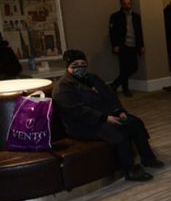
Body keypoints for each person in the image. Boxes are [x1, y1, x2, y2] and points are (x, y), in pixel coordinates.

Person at [53, 50, 164, 182]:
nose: (80, 67)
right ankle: (129, 170)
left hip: (107, 116)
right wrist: (104, 118)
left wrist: (119, 111)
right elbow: (77, 111)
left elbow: (110, 95)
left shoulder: (92, 78)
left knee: (135, 123)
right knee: (118, 131)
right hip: (83, 124)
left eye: (83, 63)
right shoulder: (63, 87)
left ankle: (148, 158)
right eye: (75, 65)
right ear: (68, 67)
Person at [109, 0, 144, 97]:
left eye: (129, 3)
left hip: (134, 46)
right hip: (122, 46)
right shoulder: (115, 16)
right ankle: (126, 89)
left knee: (134, 67)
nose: (127, 5)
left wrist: (141, 45)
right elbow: (112, 33)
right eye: (125, 4)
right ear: (121, 4)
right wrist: (115, 45)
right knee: (124, 68)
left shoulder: (136, 17)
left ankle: (114, 85)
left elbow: (139, 32)